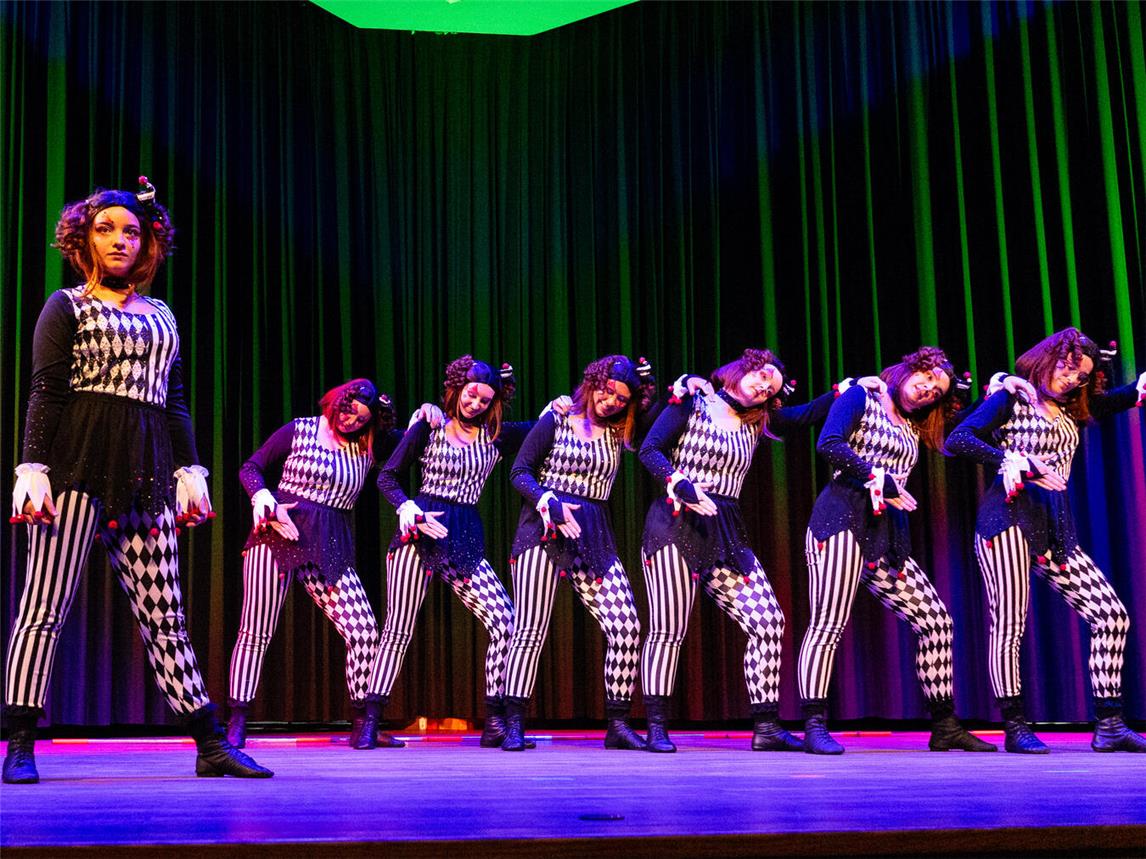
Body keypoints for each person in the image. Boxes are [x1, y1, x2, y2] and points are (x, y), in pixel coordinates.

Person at [4, 179, 271, 783]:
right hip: (75, 473)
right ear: (84, 240)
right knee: (43, 609)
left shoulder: (161, 315)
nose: (120, 240)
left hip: (145, 477)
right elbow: (46, 391)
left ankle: (210, 743)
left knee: (165, 615)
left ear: (148, 243)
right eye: (106, 229)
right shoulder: (66, 305)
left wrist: (189, 469)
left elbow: (174, 401)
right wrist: (32, 468)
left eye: (131, 231)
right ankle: (20, 742)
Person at [637, 349, 868, 752]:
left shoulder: (759, 420)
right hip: (674, 521)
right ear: (740, 370)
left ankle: (766, 727)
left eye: (771, 387)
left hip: (725, 528)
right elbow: (650, 448)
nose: (764, 387)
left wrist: (844, 390)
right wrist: (678, 481)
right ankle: (657, 726)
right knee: (668, 629)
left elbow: (803, 416)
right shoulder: (693, 402)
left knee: (768, 622)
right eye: (762, 376)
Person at [946, 328, 1146, 753]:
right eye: (1068, 368)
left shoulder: (1072, 408)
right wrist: (1012, 460)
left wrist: (1137, 389)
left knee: (1111, 616)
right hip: (1007, 519)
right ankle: (1015, 726)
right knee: (1010, 624)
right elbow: (958, 438)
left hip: (1054, 527)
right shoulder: (1012, 397)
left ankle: (1109, 723)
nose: (1073, 379)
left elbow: (1115, 401)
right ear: (1048, 359)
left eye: (1082, 376)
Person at [797, 346, 996, 755]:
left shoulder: (913, 424)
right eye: (926, 379)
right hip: (841, 520)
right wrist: (875, 475)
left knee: (936, 622)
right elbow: (829, 443)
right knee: (828, 625)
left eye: (936, 392)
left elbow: (966, 428)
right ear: (909, 370)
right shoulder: (862, 397)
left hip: (886, 533)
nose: (928, 391)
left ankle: (945, 726)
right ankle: (814, 724)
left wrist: (998, 387)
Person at [226, 379, 401, 750]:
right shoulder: (301, 429)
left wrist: (426, 417)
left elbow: (414, 444)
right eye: (349, 412)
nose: (352, 422)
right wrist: (261, 496)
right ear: (338, 400)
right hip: (278, 532)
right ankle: (237, 720)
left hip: (329, 541)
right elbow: (251, 467)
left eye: (362, 419)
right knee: (255, 630)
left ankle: (362, 722)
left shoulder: (369, 444)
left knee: (364, 630)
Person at [372, 357, 536, 748]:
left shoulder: (497, 436)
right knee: (398, 628)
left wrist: (559, 407)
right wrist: (405, 507)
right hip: (419, 531)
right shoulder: (429, 427)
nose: (476, 404)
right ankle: (369, 722)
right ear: (457, 389)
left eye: (485, 400)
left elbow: (544, 427)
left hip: (463, 535)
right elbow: (387, 475)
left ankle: (494, 720)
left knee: (505, 621)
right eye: (471, 395)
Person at [501, 355, 658, 751]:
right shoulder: (556, 419)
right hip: (543, 529)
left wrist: (671, 386)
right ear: (592, 384)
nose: (611, 402)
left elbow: (660, 422)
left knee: (626, 626)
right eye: (607, 392)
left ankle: (618, 723)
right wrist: (547, 500)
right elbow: (520, 471)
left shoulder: (622, 431)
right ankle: (514, 723)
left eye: (621, 398)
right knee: (530, 629)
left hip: (593, 534)